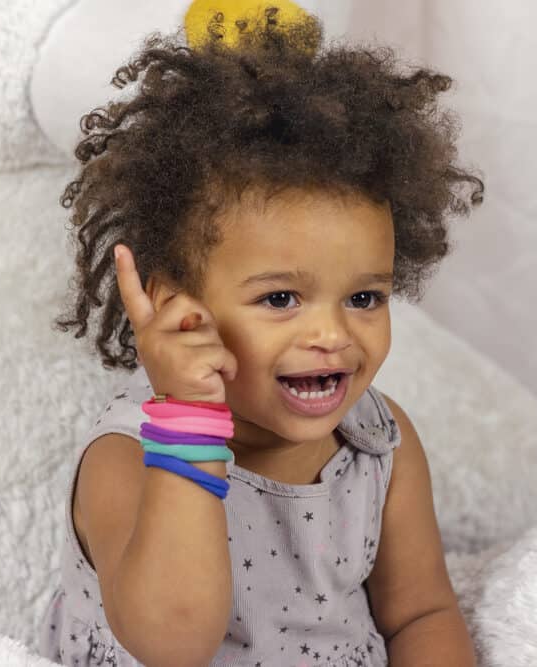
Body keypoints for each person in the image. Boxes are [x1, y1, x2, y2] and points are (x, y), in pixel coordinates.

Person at [39, 2, 483, 664]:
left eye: (363, 296)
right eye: (280, 297)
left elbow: (420, 610)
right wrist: (190, 420)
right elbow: (173, 639)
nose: (332, 333)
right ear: (174, 307)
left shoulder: (377, 445)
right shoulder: (129, 456)